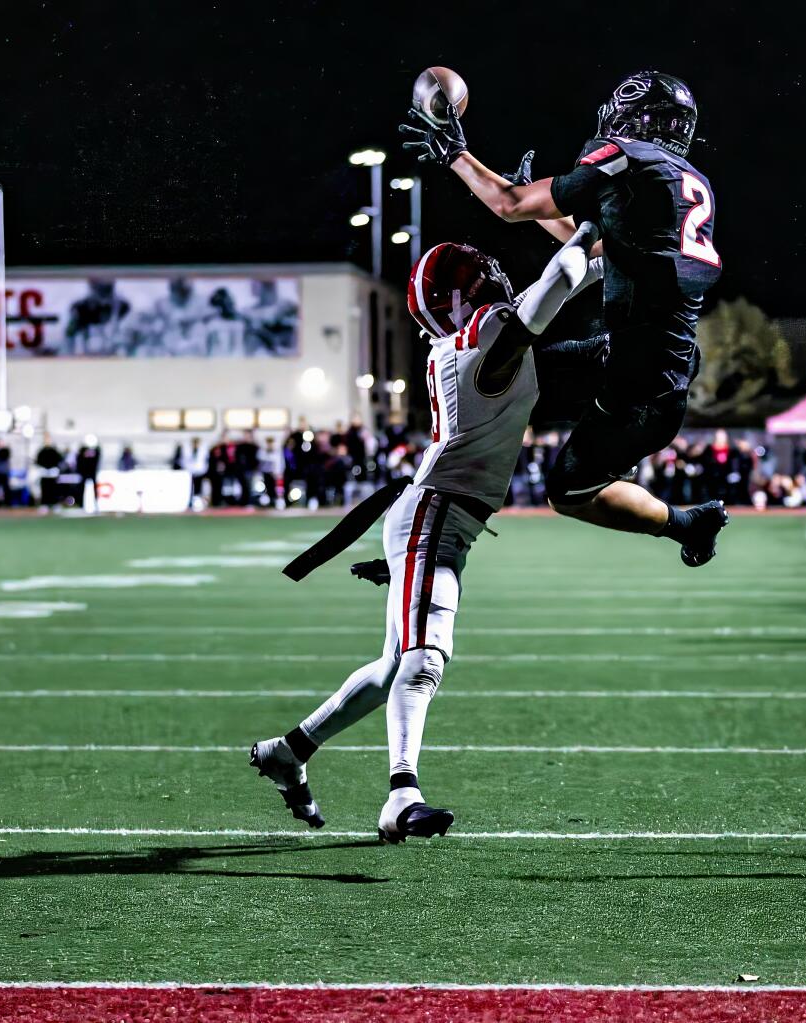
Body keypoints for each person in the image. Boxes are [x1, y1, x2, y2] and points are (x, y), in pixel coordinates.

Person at [250, 224, 603, 843]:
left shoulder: (480, 342)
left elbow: (561, 295)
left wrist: (612, 261)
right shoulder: (486, 338)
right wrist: (593, 225)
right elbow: (559, 283)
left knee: (394, 664)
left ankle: (289, 751)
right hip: (436, 516)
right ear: (469, 292)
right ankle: (400, 796)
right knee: (425, 655)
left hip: (437, 516)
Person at [401, 70, 728, 567]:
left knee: (568, 490)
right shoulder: (687, 181)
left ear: (632, 115)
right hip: (645, 362)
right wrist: (533, 201)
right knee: (500, 373)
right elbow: (602, 247)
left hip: (638, 385)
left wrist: (454, 155)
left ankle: (689, 523)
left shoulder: (626, 158)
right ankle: (434, 514)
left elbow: (508, 206)